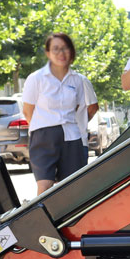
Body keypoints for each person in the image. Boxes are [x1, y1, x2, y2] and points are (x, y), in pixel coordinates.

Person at [22, 33, 98, 195]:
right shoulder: (36, 78)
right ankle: (42, 220)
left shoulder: (77, 80)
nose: (61, 53)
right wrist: (44, 128)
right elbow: (28, 111)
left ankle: (73, 221)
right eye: (55, 49)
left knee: (73, 188)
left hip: (72, 136)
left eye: (65, 48)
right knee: (45, 187)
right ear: (48, 53)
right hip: (43, 136)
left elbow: (79, 108)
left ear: (71, 52)